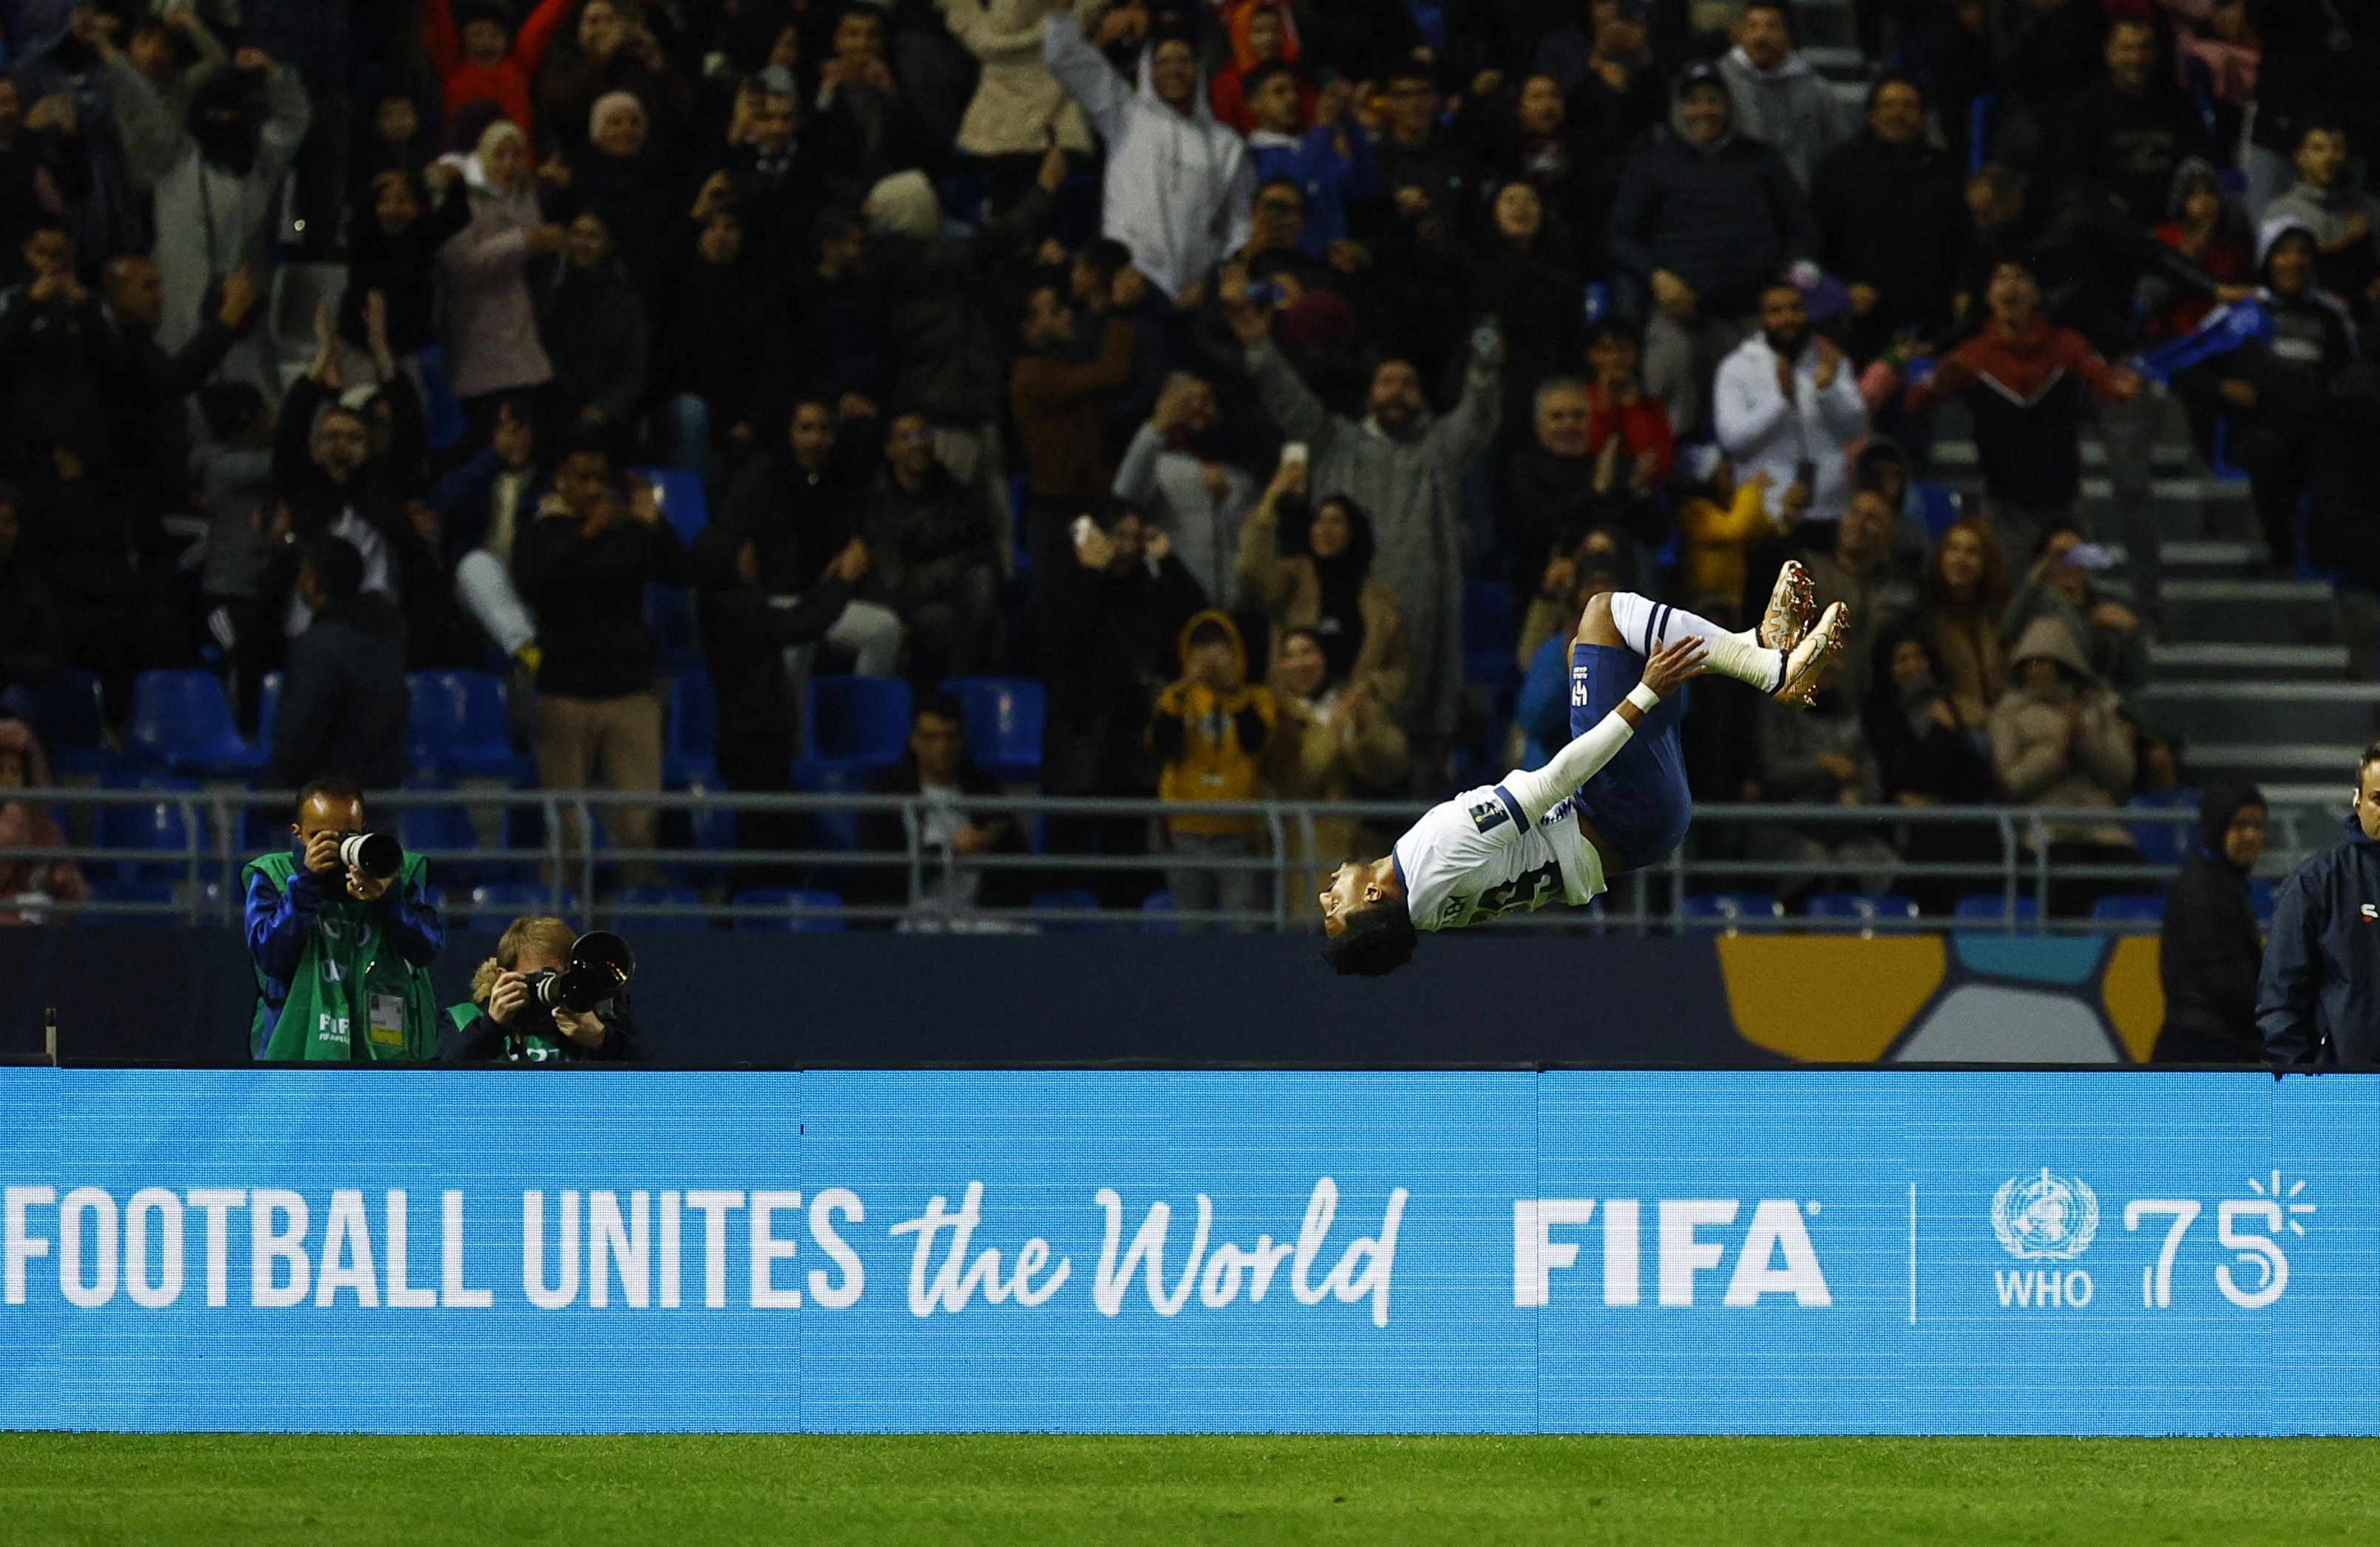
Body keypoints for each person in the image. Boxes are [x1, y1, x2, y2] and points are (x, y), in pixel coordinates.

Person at [1319, 578, 1846, 972]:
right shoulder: (1432, 852)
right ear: (1371, 897)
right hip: (1617, 808)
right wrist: (1644, 696)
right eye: (1334, 910)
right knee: (1605, 611)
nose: (1325, 896)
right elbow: (1556, 779)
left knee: (1588, 652)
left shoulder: (1427, 911)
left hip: (1636, 835)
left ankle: (1756, 641)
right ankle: (1772, 669)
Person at [1230, 294, 1500, 748]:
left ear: (1423, 397)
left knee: (1407, 745)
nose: (1396, 390)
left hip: (1418, 627)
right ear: (1369, 396)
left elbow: (1477, 416)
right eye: (1386, 382)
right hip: (1338, 626)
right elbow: (1287, 399)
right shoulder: (1336, 441)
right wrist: (1260, 348)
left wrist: (1486, 364)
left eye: (1408, 383)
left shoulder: (1437, 453)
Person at [512, 441, 690, 882]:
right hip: (564, 694)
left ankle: (639, 933)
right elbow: (535, 581)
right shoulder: (544, 532)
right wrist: (587, 534)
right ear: (563, 479)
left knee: (639, 831)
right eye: (582, 477)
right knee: (565, 834)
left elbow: (681, 571)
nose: (592, 488)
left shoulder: (632, 532)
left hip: (628, 693)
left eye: (600, 479)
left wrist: (655, 524)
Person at [1607, 60, 1814, 437]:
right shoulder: (1653, 164)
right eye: (1694, 102)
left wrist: (1786, 277)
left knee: (1771, 418)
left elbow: (1801, 230)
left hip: (1753, 317)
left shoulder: (1763, 160)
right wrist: (1657, 277)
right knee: (1666, 414)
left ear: (1730, 106)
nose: (1704, 111)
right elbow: (1620, 237)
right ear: (1679, 108)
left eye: (1713, 100)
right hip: (1681, 318)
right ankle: (1664, 485)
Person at [1903, 257, 2143, 565]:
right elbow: (1914, 404)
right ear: (1988, 295)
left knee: (2072, 606)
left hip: (2065, 507)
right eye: (2001, 279)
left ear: (2037, 293)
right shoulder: (1972, 357)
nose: (2011, 287)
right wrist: (1937, 383)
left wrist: (2122, 389)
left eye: (2020, 278)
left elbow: (2108, 384)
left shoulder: (2068, 347)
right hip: (2003, 509)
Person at [103, 41, 308, 378]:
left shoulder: (262, 161)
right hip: (178, 309)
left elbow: (294, 119)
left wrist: (273, 72)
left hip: (241, 315)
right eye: (213, 112)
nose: (222, 119)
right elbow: (143, 111)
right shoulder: (175, 159)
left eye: (230, 112)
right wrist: (110, 56)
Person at [1042, 0, 1255, 300]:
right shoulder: (1124, 115)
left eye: (1184, 61)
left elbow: (1240, 226)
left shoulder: (1226, 144)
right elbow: (1067, 58)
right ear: (1148, 69)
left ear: (1198, 68)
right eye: (1164, 61)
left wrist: (1210, 285)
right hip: (1128, 288)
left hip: (1196, 299)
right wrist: (1060, 17)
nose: (1175, 70)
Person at [243, 777, 445, 1062]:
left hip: (382, 1056)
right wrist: (306, 886)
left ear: (364, 830)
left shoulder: (395, 871)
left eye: (347, 836)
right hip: (296, 1056)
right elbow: (270, 957)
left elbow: (427, 948)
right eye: (321, 837)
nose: (337, 848)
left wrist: (386, 901)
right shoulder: (273, 875)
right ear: (297, 834)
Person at [1989, 616, 2140, 917]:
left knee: (2135, 885)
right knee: (2068, 885)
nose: (2037, 670)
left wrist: (2084, 739)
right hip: (2045, 830)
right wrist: (2057, 752)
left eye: (2045, 662)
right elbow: (2010, 783)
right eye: (2030, 662)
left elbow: (2123, 775)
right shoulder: (2008, 715)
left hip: (2103, 828)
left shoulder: (2098, 708)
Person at [1808, 74, 1966, 361]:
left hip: (1930, 322)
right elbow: (1816, 245)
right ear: (1872, 113)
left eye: (1909, 106)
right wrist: (1845, 288)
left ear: (1924, 116)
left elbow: (1962, 244)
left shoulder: (1945, 173)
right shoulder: (1838, 170)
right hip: (1857, 319)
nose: (1898, 114)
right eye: (1889, 104)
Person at [853, 690, 1032, 924]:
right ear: (914, 741)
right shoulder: (886, 792)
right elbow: (881, 875)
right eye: (930, 737)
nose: (941, 747)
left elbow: (1018, 870)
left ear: (963, 739)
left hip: (979, 919)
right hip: (910, 918)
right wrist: (953, 852)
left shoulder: (984, 790)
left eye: (950, 737)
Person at [1265, 625, 1409, 909]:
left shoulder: (1355, 704)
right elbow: (1303, 778)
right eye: (1289, 655)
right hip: (1310, 862)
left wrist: (1365, 730)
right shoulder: (1275, 716)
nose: (1299, 663)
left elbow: (1395, 761)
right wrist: (1334, 729)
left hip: (1367, 854)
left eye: (1307, 652)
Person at [1153, 611, 1275, 931]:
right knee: (1193, 932)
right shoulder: (1175, 697)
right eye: (1200, 651)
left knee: (1244, 930)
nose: (1211, 660)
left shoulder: (1257, 699)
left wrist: (1233, 691)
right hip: (1185, 833)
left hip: (1239, 835)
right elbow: (1161, 745)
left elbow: (1255, 743)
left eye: (1221, 651)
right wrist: (1184, 687)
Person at [861, 408, 1004, 681]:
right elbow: (896, 587)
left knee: (984, 593)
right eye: (908, 437)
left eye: (925, 434)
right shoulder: (878, 504)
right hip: (908, 606)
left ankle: (958, 697)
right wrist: (952, 569)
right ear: (890, 450)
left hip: (964, 598)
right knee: (983, 625)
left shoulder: (954, 491)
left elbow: (987, 554)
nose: (920, 443)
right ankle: (962, 697)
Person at [1713, 276, 1868, 526]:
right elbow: (1731, 439)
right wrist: (1781, 402)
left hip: (1832, 510)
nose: (1788, 318)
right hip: (1767, 515)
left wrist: (1827, 392)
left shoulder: (1831, 361)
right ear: (1760, 320)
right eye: (1776, 311)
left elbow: (1856, 429)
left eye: (1796, 308)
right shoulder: (1737, 367)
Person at [2261, 743, 2380, 1065]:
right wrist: (2299, 1090)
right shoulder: (2318, 882)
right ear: (2358, 800)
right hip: (2345, 1091)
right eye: (2378, 799)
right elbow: (2282, 996)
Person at [261, 537, 410, 794]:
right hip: (381, 800)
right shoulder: (388, 640)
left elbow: (298, 737)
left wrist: (271, 797)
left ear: (313, 583)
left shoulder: (318, 648)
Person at [437, 119, 562, 413]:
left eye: (517, 155)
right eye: (500, 155)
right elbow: (459, 265)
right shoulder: (461, 202)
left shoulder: (526, 199)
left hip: (522, 335)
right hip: (476, 337)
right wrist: (523, 243)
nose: (509, 164)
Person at [1113, 373, 1255, 610]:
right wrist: (1157, 428)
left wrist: (1228, 498)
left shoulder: (1239, 479)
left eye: (1207, 400)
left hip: (1231, 613)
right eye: (1189, 400)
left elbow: (1253, 543)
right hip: (1172, 605)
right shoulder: (1156, 464)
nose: (1198, 406)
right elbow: (1123, 499)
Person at [2152, 783, 2268, 1064]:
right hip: (2204, 1053)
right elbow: (2227, 986)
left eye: (2258, 826)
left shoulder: (2223, 882)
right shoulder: (2203, 888)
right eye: (2240, 825)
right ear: (2217, 826)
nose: (2251, 836)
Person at [441, 915, 640, 1063]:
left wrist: (604, 1040)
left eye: (561, 978)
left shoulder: (596, 1022)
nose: (551, 988)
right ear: (504, 977)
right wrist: (489, 1029)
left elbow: (656, 1090)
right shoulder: (464, 1019)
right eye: (539, 978)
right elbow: (434, 1091)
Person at [1717, 0, 1851, 190]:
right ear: (1739, 34)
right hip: (1737, 198)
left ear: (1788, 36)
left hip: (1801, 197)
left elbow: (1839, 148)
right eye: (1753, 26)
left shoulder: (1816, 88)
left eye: (1771, 27)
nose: (1761, 36)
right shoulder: (1719, 84)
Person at [2258, 123, 2380, 305]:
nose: (2329, 157)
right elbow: (2269, 279)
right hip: (2302, 315)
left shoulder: (2370, 210)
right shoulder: (2281, 211)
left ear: (2347, 155)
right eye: (2318, 149)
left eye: (2336, 148)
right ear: (2299, 156)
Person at [421, 0, 575, 135]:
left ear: (507, 40)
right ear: (463, 39)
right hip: (464, 165)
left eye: (495, 34)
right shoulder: (452, 67)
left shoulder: (518, 64)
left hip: (518, 164)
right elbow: (436, 14)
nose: (486, 42)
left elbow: (548, 18)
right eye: (477, 34)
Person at [1919, 516, 2010, 735]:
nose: (1961, 559)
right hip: (1955, 726)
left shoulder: (1995, 619)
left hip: (2002, 723)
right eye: (1953, 549)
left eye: (1972, 552)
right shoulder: (1925, 619)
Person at [0, 717, 86, 925]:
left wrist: (54, 887)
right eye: (0, 772)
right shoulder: (16, 822)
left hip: (36, 939)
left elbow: (77, 894)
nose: (9, 781)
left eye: (15, 772)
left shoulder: (42, 824)